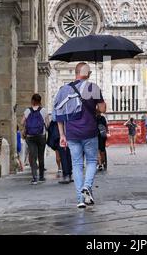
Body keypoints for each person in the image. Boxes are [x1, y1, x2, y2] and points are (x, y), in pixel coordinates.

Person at [55, 63, 106, 209]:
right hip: (89, 132)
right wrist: (96, 109)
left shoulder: (65, 89)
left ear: (76, 73)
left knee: (76, 165)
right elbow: (103, 109)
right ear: (88, 74)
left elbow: (59, 113)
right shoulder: (93, 88)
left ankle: (80, 199)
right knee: (91, 161)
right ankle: (87, 186)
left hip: (71, 133)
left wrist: (62, 135)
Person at [21, 94, 49, 185]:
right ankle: (41, 176)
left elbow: (22, 122)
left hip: (30, 137)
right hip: (41, 136)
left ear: (32, 100)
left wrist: (27, 126)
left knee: (33, 157)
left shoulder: (27, 111)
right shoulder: (44, 111)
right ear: (40, 101)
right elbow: (47, 124)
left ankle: (34, 178)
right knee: (41, 156)